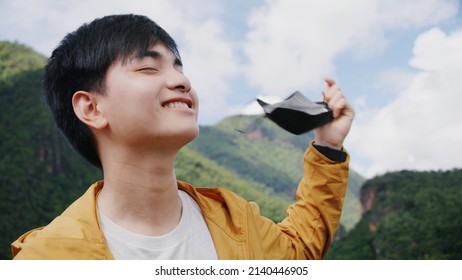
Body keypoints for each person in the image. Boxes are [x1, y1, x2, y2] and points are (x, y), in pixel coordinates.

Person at [11, 14, 354, 260]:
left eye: (179, 67)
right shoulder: (49, 259)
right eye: (149, 67)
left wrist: (328, 145)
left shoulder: (235, 221)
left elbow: (298, 253)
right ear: (91, 108)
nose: (181, 80)